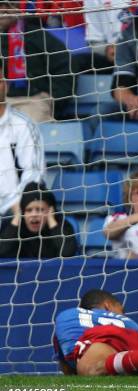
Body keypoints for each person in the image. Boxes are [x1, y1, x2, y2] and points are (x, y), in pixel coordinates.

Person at [0, 1, 73, 121]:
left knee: (30, 126)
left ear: (18, 8)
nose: (3, 10)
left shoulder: (38, 36)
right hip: (3, 101)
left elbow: (65, 69)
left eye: (7, 5)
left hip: (33, 100)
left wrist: (52, 98)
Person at [0, 70, 45, 220]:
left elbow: (34, 175)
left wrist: (11, 207)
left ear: (6, 85)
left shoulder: (24, 125)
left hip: (14, 212)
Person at [0, 182, 77, 258]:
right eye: (29, 210)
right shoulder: (13, 227)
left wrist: (51, 221)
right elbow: (2, 252)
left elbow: (68, 253)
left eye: (40, 210)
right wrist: (17, 218)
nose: (34, 215)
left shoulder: (61, 224)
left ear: (50, 211)